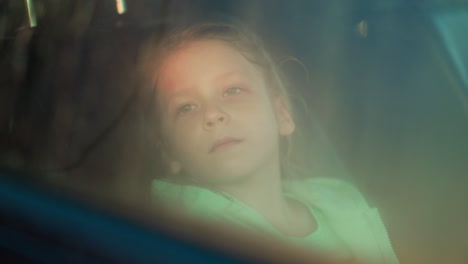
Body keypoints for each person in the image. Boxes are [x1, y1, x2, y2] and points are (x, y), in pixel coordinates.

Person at [141, 22, 399, 264]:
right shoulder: (174, 239)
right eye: (186, 107)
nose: (212, 114)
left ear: (282, 115)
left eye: (232, 91)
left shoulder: (344, 204)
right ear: (168, 150)